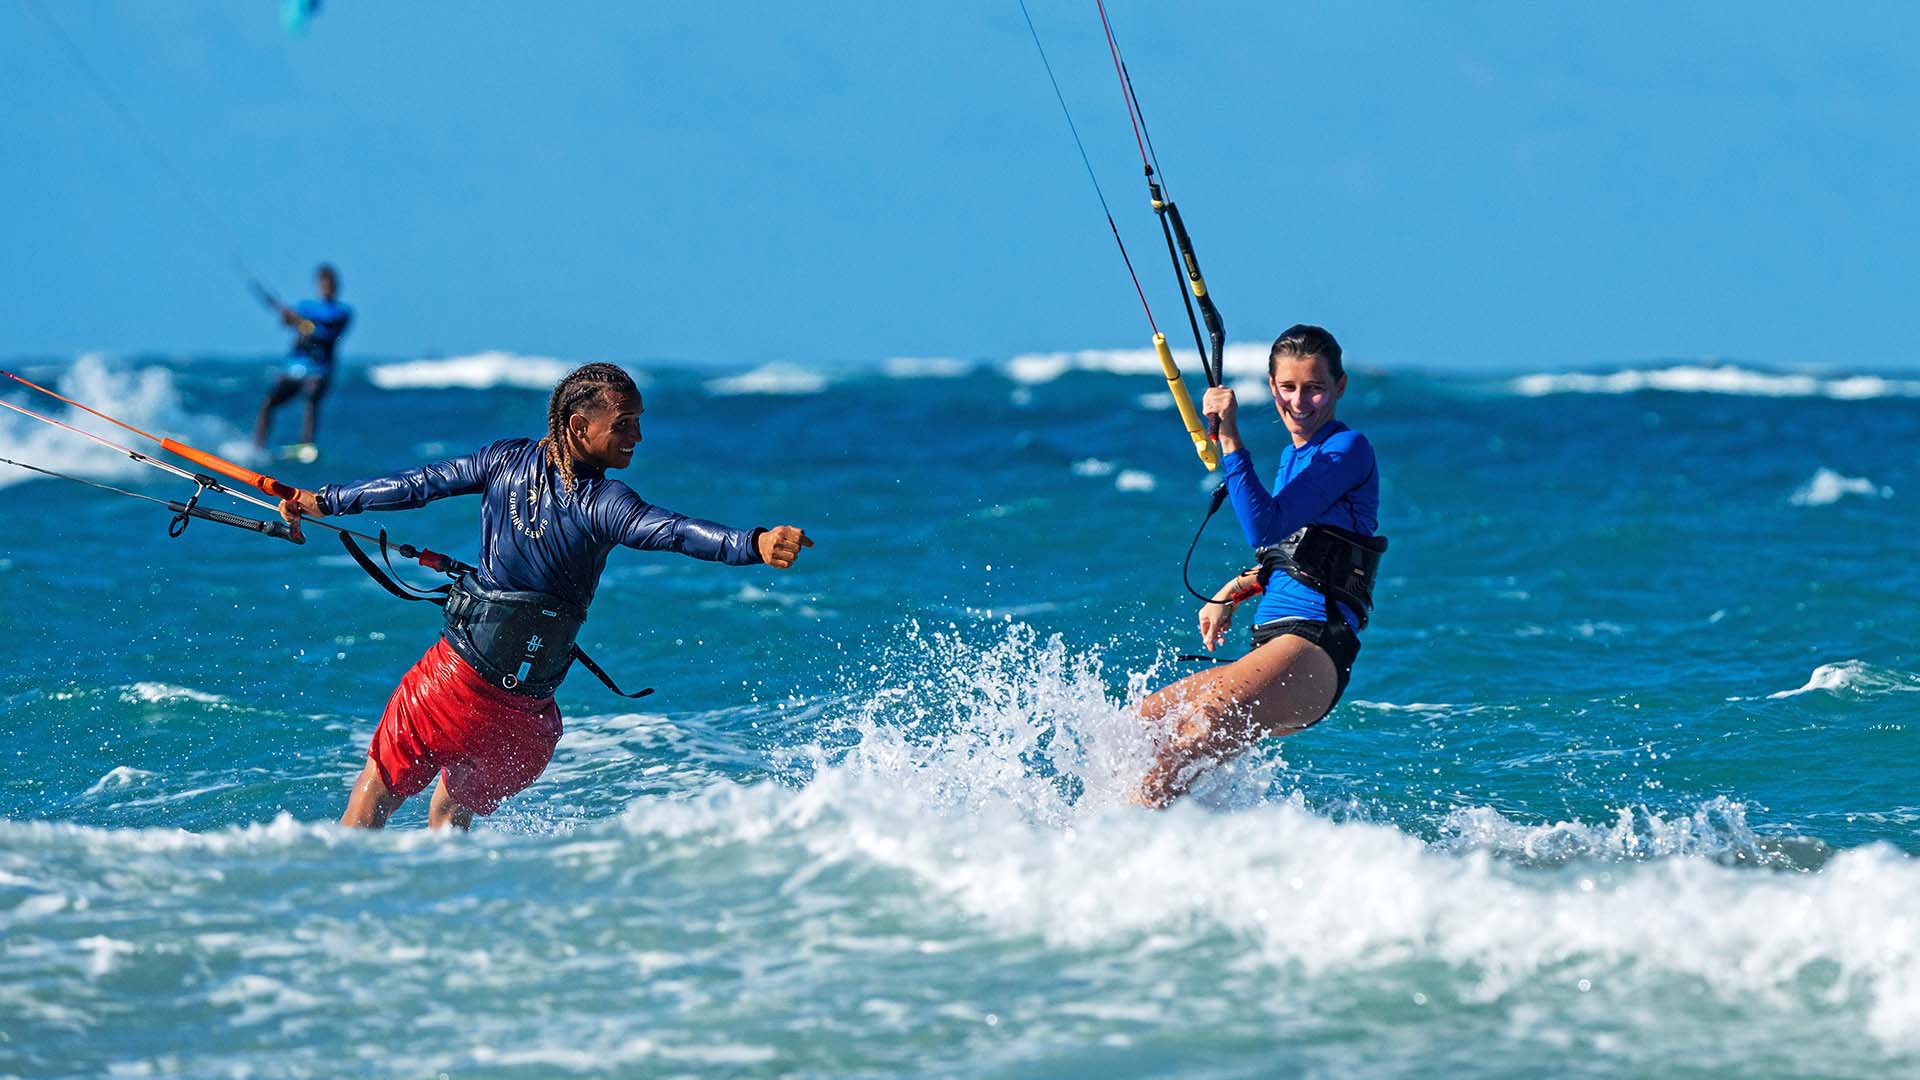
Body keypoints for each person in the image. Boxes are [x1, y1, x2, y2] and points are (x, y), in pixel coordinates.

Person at [276, 362, 813, 830]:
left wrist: (325, 500)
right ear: (581, 427)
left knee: (369, 808)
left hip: (450, 689)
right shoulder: (604, 501)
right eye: (624, 425)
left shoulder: (504, 461)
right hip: (526, 724)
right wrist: (753, 544)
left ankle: (330, 912)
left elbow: (419, 483)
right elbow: (672, 530)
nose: (637, 437)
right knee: (447, 817)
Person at [1135, 325, 1385, 807]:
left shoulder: (1347, 449)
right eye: (1288, 388)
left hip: (1313, 645)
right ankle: (1170, 854)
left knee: (1190, 737)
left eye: (1314, 388)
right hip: (1273, 644)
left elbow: (1265, 529)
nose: (1300, 402)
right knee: (1144, 723)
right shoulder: (1295, 457)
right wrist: (1232, 591)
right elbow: (1297, 552)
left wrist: (1228, 433)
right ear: (1272, 387)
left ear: (1340, 387)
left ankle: (1115, 851)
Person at [253, 263, 352, 453]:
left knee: (312, 395)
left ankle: (307, 445)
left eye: (329, 285)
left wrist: (300, 319)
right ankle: (258, 446)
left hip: (320, 370)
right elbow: (289, 321)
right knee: (268, 403)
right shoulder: (306, 306)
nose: (326, 289)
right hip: (295, 367)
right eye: (323, 285)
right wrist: (284, 314)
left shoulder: (342, 311)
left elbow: (325, 327)